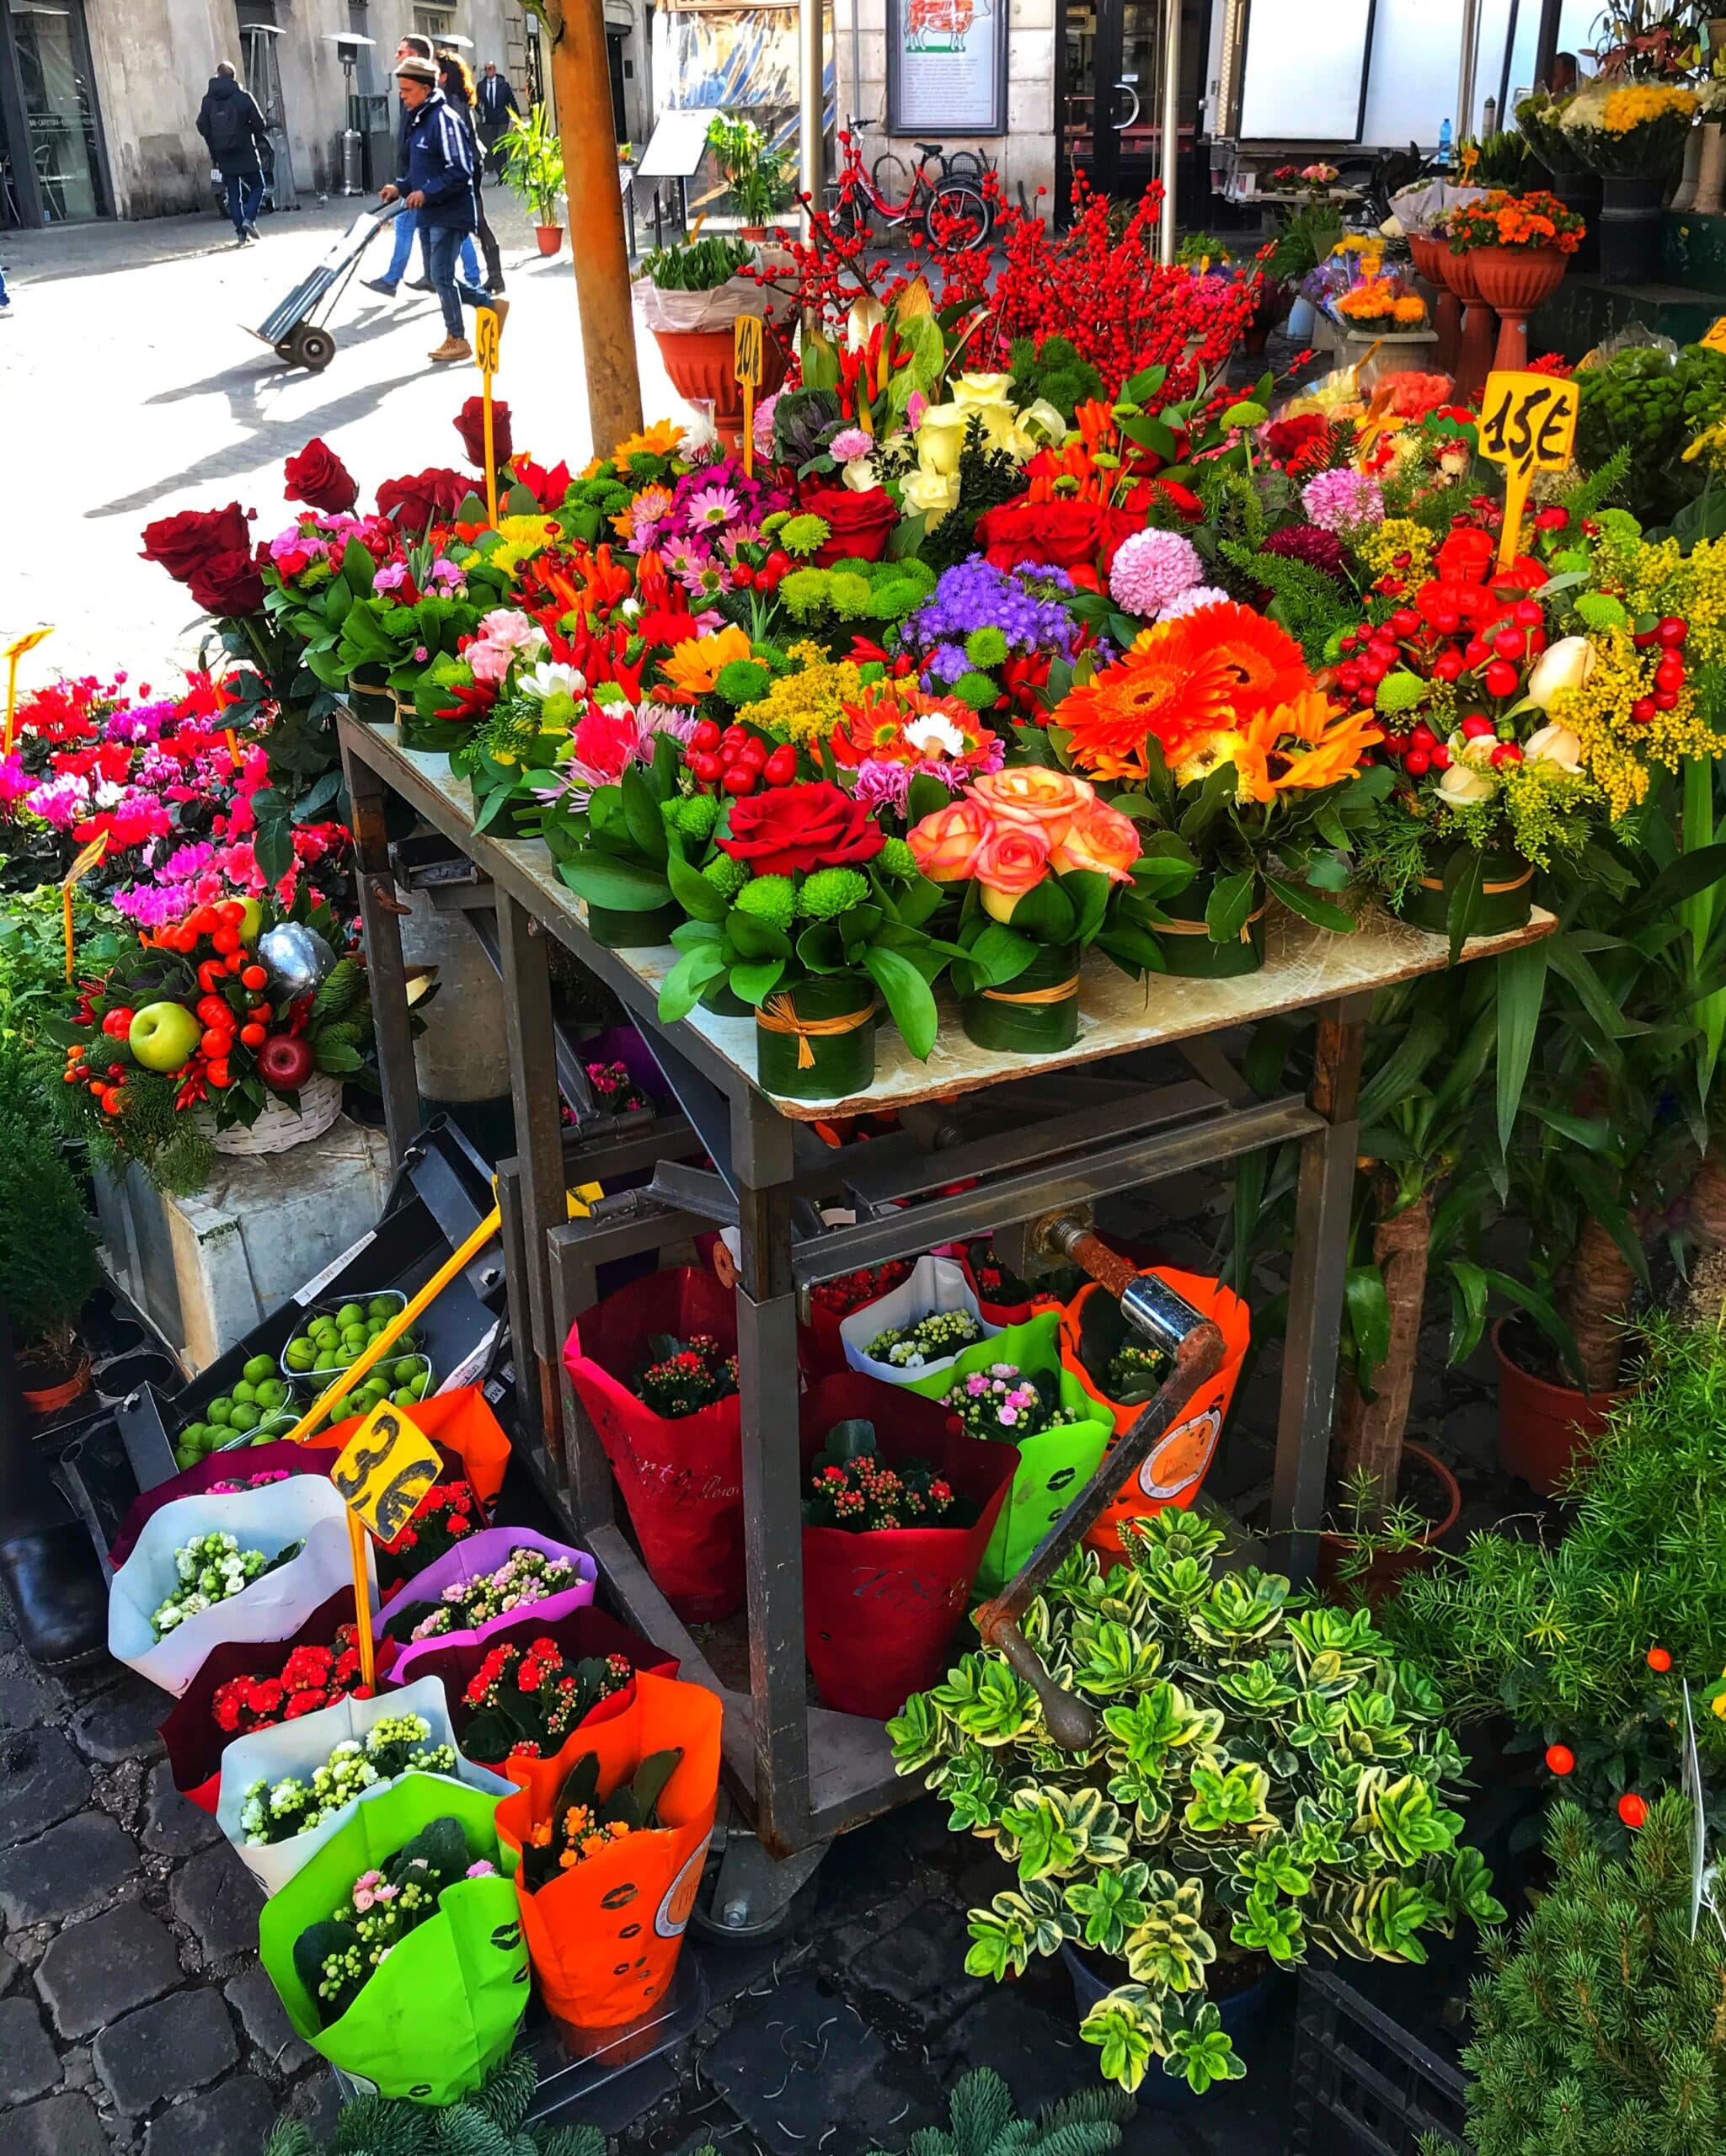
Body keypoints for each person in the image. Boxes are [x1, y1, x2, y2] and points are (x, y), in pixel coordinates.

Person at [380, 54, 507, 363]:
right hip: (430, 211)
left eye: (408, 90)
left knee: (440, 274)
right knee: (441, 276)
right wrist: (402, 187)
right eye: (401, 90)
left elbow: (461, 169)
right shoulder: (420, 119)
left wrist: (427, 192)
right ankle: (489, 306)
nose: (403, 95)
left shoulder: (444, 120)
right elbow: (421, 169)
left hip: (451, 211)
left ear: (426, 88)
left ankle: (457, 338)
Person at [362, 32, 436, 297]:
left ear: (414, 57)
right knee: (432, 230)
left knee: (411, 226)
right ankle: (434, 277)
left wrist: (408, 181)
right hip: (414, 177)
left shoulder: (424, 96)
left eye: (401, 52)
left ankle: (393, 279)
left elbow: (421, 140)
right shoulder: (411, 91)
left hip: (421, 179)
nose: (396, 56)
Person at [438, 52, 505, 295]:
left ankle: (488, 276)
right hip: (473, 163)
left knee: (473, 221)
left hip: (467, 165)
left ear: (445, 76)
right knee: (478, 220)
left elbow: (455, 136)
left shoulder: (451, 100)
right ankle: (494, 275)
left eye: (437, 73)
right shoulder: (458, 96)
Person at [196, 60, 272, 246]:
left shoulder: (208, 101)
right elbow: (260, 124)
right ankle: (249, 219)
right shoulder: (243, 97)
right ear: (233, 77)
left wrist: (214, 144)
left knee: (233, 193)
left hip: (223, 154)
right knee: (258, 185)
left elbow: (201, 125)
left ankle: (240, 234)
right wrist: (249, 132)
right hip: (245, 150)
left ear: (217, 75)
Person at [476, 61, 521, 180]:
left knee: (501, 145)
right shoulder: (481, 86)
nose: (488, 71)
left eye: (490, 69)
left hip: (502, 119)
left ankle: (504, 174)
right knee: (494, 147)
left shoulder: (503, 85)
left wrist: (517, 117)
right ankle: (499, 173)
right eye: (486, 69)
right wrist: (480, 111)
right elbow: (476, 100)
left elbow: (512, 101)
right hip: (490, 120)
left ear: (494, 69)